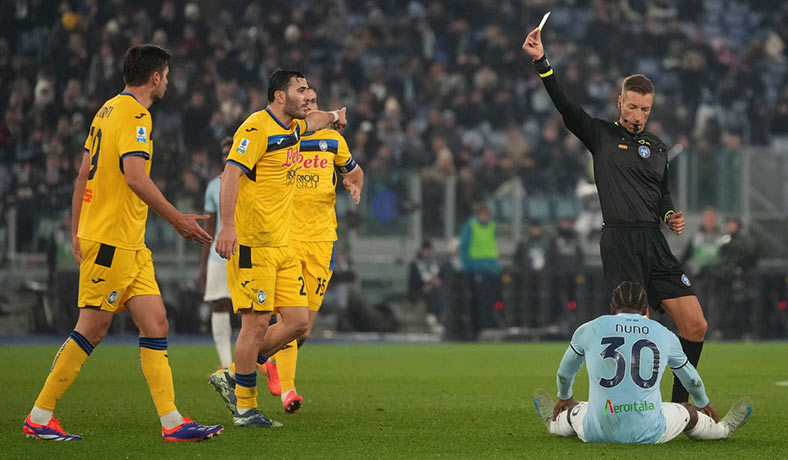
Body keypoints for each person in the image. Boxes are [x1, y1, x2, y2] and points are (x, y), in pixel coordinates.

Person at [23, 44, 223, 442]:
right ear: (155, 77)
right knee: (92, 329)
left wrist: (78, 231)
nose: (167, 81)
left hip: (128, 242)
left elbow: (83, 175)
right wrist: (178, 219)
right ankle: (39, 416)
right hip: (113, 240)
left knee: (156, 322)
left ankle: (172, 422)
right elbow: (135, 177)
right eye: (166, 75)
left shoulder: (106, 110)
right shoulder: (136, 115)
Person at [523, 26, 708, 403]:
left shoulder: (657, 148)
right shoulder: (601, 135)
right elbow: (565, 105)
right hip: (620, 241)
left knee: (696, 325)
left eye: (645, 109)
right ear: (619, 101)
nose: (638, 115)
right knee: (641, 330)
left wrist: (672, 215)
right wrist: (542, 62)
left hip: (654, 243)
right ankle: (638, 406)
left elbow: (663, 196)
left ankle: (679, 406)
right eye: (633, 106)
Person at [209, 70, 347, 428]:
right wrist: (227, 227)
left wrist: (334, 116)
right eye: (300, 90)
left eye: (307, 90)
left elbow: (316, 120)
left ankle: (233, 374)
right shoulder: (256, 129)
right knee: (254, 326)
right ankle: (245, 406)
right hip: (254, 245)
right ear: (279, 97)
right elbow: (230, 175)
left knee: (299, 324)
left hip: (282, 245)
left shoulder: (294, 128)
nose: (306, 95)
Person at [533, 281, 752, 444]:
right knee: (688, 411)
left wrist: (564, 396)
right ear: (644, 309)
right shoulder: (664, 334)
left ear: (612, 307)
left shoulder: (590, 327)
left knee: (575, 411)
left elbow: (564, 372)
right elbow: (691, 379)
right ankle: (723, 429)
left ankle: (553, 424)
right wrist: (702, 401)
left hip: (597, 432)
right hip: (649, 432)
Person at [266, 83, 364, 413]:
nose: (309, 105)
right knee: (290, 319)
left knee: (304, 328)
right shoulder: (283, 137)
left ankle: (266, 358)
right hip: (288, 239)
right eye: (304, 100)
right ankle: (287, 391)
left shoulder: (333, 141)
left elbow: (354, 169)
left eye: (313, 101)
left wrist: (354, 182)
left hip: (323, 241)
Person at [199, 136, 235, 369]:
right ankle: (226, 363)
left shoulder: (255, 180)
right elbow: (209, 227)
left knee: (253, 308)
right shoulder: (213, 186)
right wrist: (202, 265)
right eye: (224, 154)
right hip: (218, 255)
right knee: (219, 304)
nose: (227, 157)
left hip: (247, 253)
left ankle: (257, 359)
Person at [458, 201, 502, 338]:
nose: (484, 216)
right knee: (481, 301)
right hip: (478, 268)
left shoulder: (491, 226)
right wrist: (468, 267)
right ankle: (482, 328)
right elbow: (463, 247)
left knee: (493, 300)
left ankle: (490, 327)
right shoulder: (471, 226)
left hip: (492, 269)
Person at [408, 240, 446, 334]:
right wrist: (425, 286)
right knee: (433, 293)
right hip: (420, 290)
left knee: (437, 292)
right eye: (425, 250)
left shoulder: (436, 263)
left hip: (435, 289)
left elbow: (441, 278)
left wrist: (433, 283)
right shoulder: (415, 264)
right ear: (421, 250)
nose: (427, 252)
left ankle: (436, 319)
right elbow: (413, 282)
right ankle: (434, 318)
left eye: (428, 250)